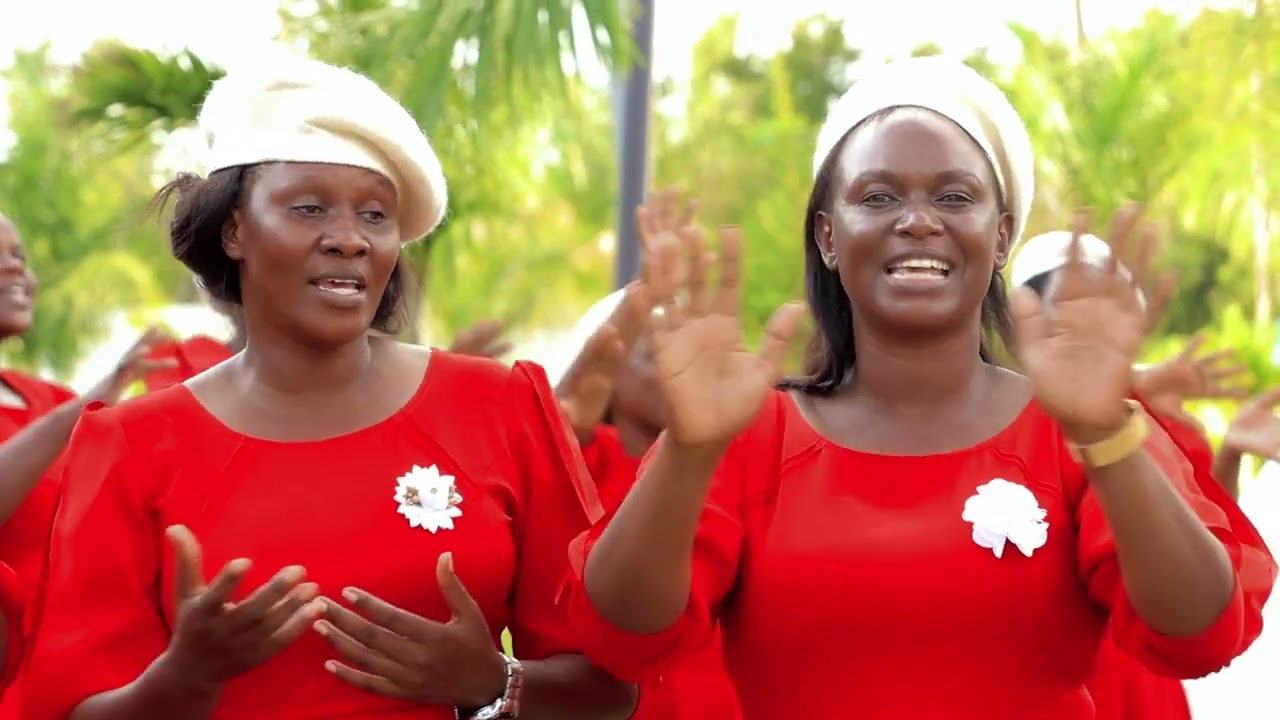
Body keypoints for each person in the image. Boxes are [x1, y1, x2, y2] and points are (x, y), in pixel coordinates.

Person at [564, 57, 1276, 719]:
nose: (917, 220)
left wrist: (1104, 437)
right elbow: (620, 634)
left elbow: (1200, 634)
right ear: (828, 237)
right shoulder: (749, 432)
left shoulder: (1078, 431)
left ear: (1002, 237)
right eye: (877, 196)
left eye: (954, 196)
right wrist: (689, 455)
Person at [23, 58, 634, 720]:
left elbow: (610, 688)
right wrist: (182, 680)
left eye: (375, 215)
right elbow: (65, 708)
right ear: (234, 230)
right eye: (309, 207)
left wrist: (495, 681)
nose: (349, 239)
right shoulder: (132, 444)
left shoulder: (498, 404)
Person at [553, 193, 741, 720]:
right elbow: (556, 421)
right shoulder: (585, 458)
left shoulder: (726, 468)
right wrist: (643, 294)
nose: (672, 366)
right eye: (649, 352)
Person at [0, 213, 172, 719]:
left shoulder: (51, 399)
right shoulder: (71, 411)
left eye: (20, 257)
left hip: (80, 679)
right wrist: (92, 400)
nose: (16, 270)